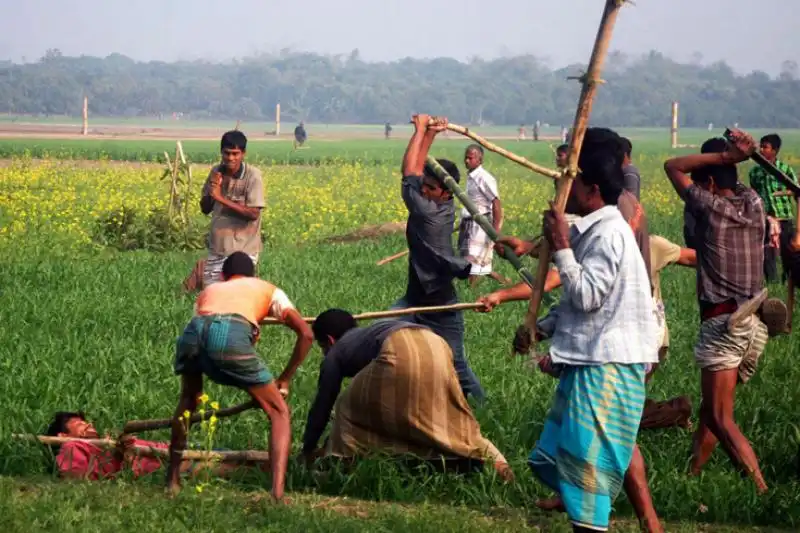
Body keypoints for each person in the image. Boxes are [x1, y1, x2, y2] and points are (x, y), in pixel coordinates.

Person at [497, 128, 662, 532]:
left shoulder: (608, 233)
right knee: (571, 457)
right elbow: (582, 306)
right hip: (596, 358)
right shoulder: (593, 228)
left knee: (587, 468)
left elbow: (587, 295)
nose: (560, 191)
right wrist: (541, 329)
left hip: (609, 362)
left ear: (589, 187)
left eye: (567, 183)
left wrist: (561, 245)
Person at [663, 130, 771, 493]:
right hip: (753, 324)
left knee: (720, 417)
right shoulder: (753, 202)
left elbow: (672, 165)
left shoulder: (710, 208)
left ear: (708, 181)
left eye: (701, 182)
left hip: (724, 323)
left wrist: (726, 156)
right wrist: (744, 154)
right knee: (712, 410)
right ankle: (693, 476)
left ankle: (760, 489)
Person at [168, 252, 314, 502]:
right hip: (227, 336)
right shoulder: (267, 289)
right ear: (254, 274)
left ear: (224, 275)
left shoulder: (211, 291)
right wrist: (284, 378)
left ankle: (171, 481)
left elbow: (204, 325)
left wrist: (257, 387)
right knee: (279, 412)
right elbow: (306, 334)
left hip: (193, 333)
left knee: (188, 402)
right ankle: (277, 494)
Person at [299, 309, 512, 480]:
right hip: (435, 344)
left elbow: (323, 404)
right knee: (450, 417)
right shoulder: (368, 334)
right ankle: (495, 461)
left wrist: (307, 448)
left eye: (322, 347)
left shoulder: (336, 352)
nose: (324, 352)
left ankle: (340, 465)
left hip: (399, 348)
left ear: (329, 340)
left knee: (346, 407)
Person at [390, 114, 484, 403]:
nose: (423, 189)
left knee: (457, 364)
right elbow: (419, 173)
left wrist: (419, 129)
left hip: (441, 304)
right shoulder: (439, 200)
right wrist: (430, 133)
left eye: (429, 187)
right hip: (414, 299)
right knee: (386, 338)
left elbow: (409, 170)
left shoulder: (428, 212)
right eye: (425, 186)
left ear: (445, 192)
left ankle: (482, 407)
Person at [45, 411, 266, 481]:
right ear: (63, 435)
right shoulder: (71, 448)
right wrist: (126, 456)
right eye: (80, 424)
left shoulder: (101, 443)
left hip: (172, 453)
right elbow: (74, 477)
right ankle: (274, 474)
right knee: (234, 467)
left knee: (234, 455)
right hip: (163, 468)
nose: (89, 425)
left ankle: (275, 466)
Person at [199, 130, 265, 287]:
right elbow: (205, 208)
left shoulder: (253, 176)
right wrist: (212, 189)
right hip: (218, 247)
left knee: (240, 292)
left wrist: (221, 198)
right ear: (221, 152)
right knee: (213, 292)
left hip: (243, 250)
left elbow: (253, 213)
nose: (230, 158)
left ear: (243, 153)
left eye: (235, 154)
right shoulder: (216, 172)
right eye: (227, 153)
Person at [748, 133, 799, 283]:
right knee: (768, 255)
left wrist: (782, 193)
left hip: (784, 218)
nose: (762, 150)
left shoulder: (785, 169)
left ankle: (789, 281)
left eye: (765, 147)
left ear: (775, 150)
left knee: (788, 254)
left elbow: (796, 190)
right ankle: (772, 284)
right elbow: (754, 194)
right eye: (761, 146)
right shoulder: (755, 172)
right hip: (766, 220)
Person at [457, 144, 510, 286]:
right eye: (465, 158)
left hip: (481, 224)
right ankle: (503, 281)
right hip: (469, 223)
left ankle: (471, 289)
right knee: (473, 259)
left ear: (479, 160)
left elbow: (496, 203)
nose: (467, 161)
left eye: (470, 158)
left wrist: (495, 231)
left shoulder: (484, 178)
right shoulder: (471, 177)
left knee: (475, 259)